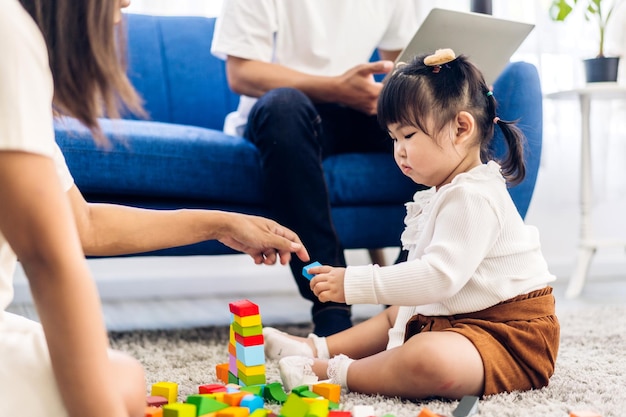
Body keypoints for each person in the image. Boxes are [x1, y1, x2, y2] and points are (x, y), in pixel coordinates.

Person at [0, 0, 309, 416]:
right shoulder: (10, 34)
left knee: (121, 377)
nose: (127, 2)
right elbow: (49, 258)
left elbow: (82, 224)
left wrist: (220, 223)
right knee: (119, 385)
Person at [261, 49, 560, 400]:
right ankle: (317, 348)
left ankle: (330, 371)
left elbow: (437, 277)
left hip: (510, 335)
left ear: (461, 128)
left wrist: (355, 282)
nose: (398, 151)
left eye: (408, 136)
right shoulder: (444, 192)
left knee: (429, 360)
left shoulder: (474, 195)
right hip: (459, 315)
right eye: (393, 139)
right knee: (399, 314)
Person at [210, 0, 424, 336]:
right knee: (284, 106)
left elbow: (404, 60)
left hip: (358, 109)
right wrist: (337, 87)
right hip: (287, 114)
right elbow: (242, 73)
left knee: (439, 121)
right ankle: (332, 310)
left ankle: (406, 296)